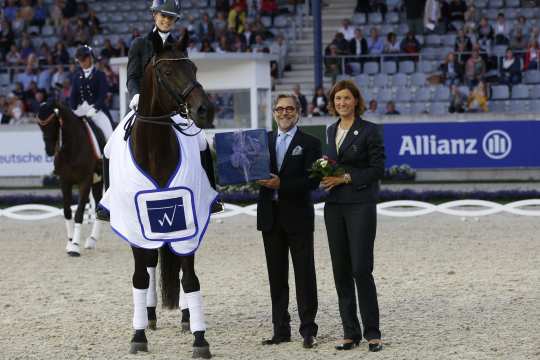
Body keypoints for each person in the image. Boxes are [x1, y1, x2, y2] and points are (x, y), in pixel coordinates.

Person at [321, 80, 385, 353]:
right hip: (334, 206)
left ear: (356, 101)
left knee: (361, 268)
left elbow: (378, 168)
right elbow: (326, 163)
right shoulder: (329, 130)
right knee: (341, 271)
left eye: (346, 99)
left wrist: (346, 177)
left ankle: (373, 332)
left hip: (360, 203)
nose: (342, 103)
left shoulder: (369, 131)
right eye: (337, 99)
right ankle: (350, 331)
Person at [256, 94, 321, 349]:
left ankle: (308, 330)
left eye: (289, 109)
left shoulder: (310, 143)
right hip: (270, 217)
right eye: (280, 109)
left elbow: (312, 181)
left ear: (298, 112)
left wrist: (282, 185)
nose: (284, 113)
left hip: (298, 217)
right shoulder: (262, 142)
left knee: (305, 275)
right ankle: (280, 329)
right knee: (276, 276)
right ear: (274, 113)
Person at [70, 45, 114, 140]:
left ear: (90, 58)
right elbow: (73, 96)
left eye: (84, 59)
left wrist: (95, 108)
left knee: (109, 133)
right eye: (80, 60)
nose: (82, 62)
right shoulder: (76, 77)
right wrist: (73, 109)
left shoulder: (100, 75)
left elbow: (103, 94)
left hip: (97, 111)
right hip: (81, 110)